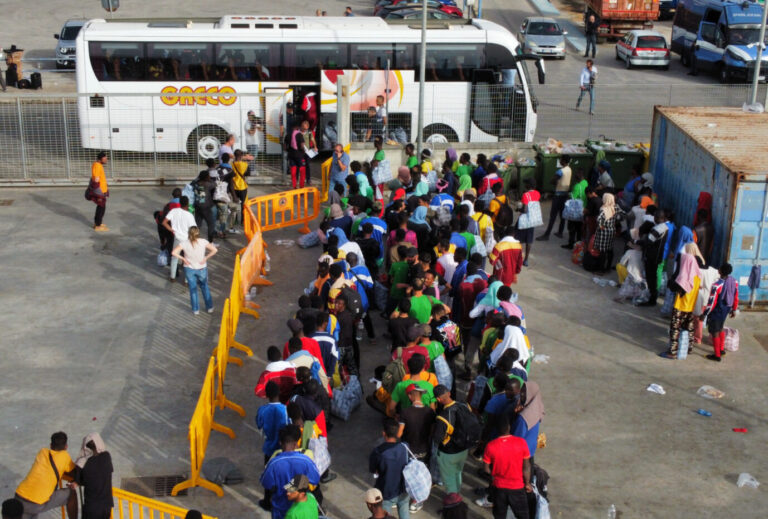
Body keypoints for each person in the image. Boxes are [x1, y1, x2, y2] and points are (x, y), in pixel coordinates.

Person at [260, 425, 320, 519]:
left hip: (280, 509)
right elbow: (315, 479)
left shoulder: (274, 463)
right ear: (297, 444)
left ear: (280, 443)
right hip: (300, 508)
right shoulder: (306, 461)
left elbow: (266, 483)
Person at [15, 432, 78, 519]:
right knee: (71, 493)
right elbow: (74, 473)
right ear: (66, 446)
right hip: (36, 504)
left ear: (51, 445)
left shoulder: (42, 451)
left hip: (19, 497)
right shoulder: (65, 456)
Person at [482, 415, 532, 519]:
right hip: (517, 488)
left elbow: (486, 469)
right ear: (509, 427)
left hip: (499, 488)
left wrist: (493, 479)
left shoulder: (491, 446)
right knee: (523, 516)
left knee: (499, 515)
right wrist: (527, 484)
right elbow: (526, 467)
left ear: (497, 429)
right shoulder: (521, 443)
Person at [433, 385, 476, 495]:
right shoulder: (465, 405)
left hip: (449, 453)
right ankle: (457, 491)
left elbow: (437, 438)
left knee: (449, 478)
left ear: (438, 399)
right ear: (449, 393)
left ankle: (453, 500)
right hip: (463, 449)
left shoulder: (443, 417)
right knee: (457, 472)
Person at [660, 250, 701, 359]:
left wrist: (672, 280)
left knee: (675, 329)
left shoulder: (683, 277)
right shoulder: (697, 275)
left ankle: (672, 352)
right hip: (690, 307)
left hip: (680, 307)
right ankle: (688, 348)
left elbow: (673, 287)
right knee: (689, 329)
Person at [369, 418, 411, 519]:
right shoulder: (405, 447)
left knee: (384, 516)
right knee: (404, 513)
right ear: (398, 432)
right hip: (403, 489)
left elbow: (373, 469)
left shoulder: (378, 452)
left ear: (384, 433)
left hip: (386, 492)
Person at [172, 226, 217, 314]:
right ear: (198, 233)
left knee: (193, 289)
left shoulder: (184, 243)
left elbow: (173, 252)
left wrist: (183, 259)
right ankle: (210, 307)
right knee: (204, 287)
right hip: (201, 268)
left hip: (189, 269)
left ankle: (195, 309)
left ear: (189, 234)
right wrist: (206, 258)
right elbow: (214, 250)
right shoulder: (203, 242)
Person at [702, 263, 738, 362]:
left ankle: (717, 355)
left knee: (715, 332)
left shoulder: (717, 285)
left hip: (717, 311)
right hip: (726, 310)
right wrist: (734, 309)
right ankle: (721, 350)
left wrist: (704, 314)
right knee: (720, 328)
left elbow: (712, 302)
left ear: (720, 271)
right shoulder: (734, 281)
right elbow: (735, 296)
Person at [71, 433, 113, 519]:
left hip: (91, 507)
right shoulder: (106, 457)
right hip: (106, 505)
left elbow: (79, 480)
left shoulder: (83, 464)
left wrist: (81, 461)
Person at [637, 209, 669, 306]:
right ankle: (652, 297)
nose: (653, 218)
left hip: (652, 256)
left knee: (651, 278)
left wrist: (635, 242)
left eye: (655, 217)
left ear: (658, 218)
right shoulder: (664, 227)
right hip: (657, 256)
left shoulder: (657, 229)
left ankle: (652, 299)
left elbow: (648, 242)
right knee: (653, 277)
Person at [537, 154, 571, 241]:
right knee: (562, 215)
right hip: (565, 194)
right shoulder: (569, 169)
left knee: (553, 216)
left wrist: (556, 182)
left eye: (560, 159)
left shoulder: (560, 171)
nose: (560, 160)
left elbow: (552, 180)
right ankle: (560, 232)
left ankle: (547, 234)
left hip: (558, 195)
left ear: (563, 161)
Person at [257, 381, 290, 464]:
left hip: (269, 449)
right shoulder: (285, 410)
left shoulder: (262, 410)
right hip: (283, 450)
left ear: (267, 395)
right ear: (279, 393)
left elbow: (259, 425)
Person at [594, 193, 623, 273]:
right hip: (612, 230)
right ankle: (608, 267)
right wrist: (617, 221)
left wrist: (601, 226)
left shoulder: (603, 209)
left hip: (604, 232)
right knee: (610, 250)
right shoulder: (615, 207)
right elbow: (623, 214)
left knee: (602, 251)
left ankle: (601, 270)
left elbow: (599, 219)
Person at [515, 178, 540, 267]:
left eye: (526, 184)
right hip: (532, 219)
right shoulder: (537, 193)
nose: (524, 186)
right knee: (529, 240)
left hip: (524, 219)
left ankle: (517, 258)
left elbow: (525, 209)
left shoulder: (525, 195)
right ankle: (526, 260)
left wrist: (518, 209)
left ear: (528, 185)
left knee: (517, 238)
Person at [88, 151, 110, 231]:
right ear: (101, 158)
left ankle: (98, 223)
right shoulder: (97, 166)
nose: (106, 159)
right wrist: (99, 193)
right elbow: (96, 179)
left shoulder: (98, 165)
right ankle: (98, 225)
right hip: (99, 191)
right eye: (105, 158)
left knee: (101, 207)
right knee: (101, 207)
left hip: (101, 190)